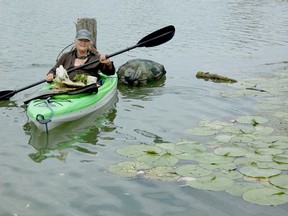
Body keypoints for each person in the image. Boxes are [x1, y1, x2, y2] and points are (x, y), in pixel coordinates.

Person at [45, 29, 115, 83]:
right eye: (80, 40)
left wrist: (108, 64)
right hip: (67, 85)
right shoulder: (66, 56)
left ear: (90, 43)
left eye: (86, 40)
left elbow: (110, 73)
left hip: (88, 87)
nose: (83, 43)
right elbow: (53, 71)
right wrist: (50, 75)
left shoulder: (96, 58)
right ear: (75, 41)